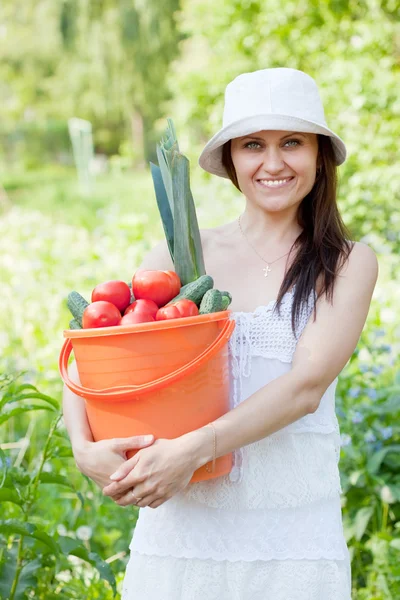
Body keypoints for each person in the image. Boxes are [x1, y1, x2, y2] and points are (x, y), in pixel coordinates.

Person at [63, 67, 378, 599]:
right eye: (254, 144)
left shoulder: (347, 263)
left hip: (292, 540)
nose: (273, 163)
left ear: (319, 154)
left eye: (293, 143)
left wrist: (190, 450)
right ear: (232, 158)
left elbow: (305, 389)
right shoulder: (181, 258)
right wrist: (82, 444)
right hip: (181, 536)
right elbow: (96, 352)